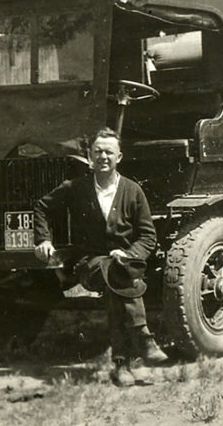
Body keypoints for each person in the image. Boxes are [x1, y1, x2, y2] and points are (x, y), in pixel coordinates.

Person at [33, 127, 169, 387]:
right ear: (89, 156)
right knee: (114, 274)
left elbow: (148, 237)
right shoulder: (76, 188)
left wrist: (128, 253)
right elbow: (42, 206)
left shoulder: (133, 190)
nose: (103, 156)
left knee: (116, 280)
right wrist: (43, 239)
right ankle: (143, 338)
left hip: (124, 264)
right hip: (89, 263)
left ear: (119, 157)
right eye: (97, 152)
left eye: (109, 152)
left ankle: (121, 365)